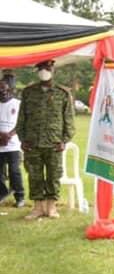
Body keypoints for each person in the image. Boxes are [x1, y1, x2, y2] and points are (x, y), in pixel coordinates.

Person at [16, 60, 75, 220]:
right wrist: (22, 139)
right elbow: (21, 118)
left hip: (54, 143)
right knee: (34, 175)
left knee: (53, 175)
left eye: (47, 68)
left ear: (53, 70)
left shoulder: (63, 93)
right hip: (32, 142)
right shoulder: (28, 92)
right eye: (41, 68)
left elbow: (69, 120)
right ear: (37, 71)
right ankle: (37, 207)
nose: (44, 71)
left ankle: (51, 207)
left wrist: (64, 140)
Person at [0, 79, 25, 207]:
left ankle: (20, 197)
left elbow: (22, 123)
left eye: (3, 89)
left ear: (9, 89)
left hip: (13, 145)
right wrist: (1, 135)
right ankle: (2, 193)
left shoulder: (17, 104)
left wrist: (9, 135)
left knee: (14, 171)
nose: (2, 91)